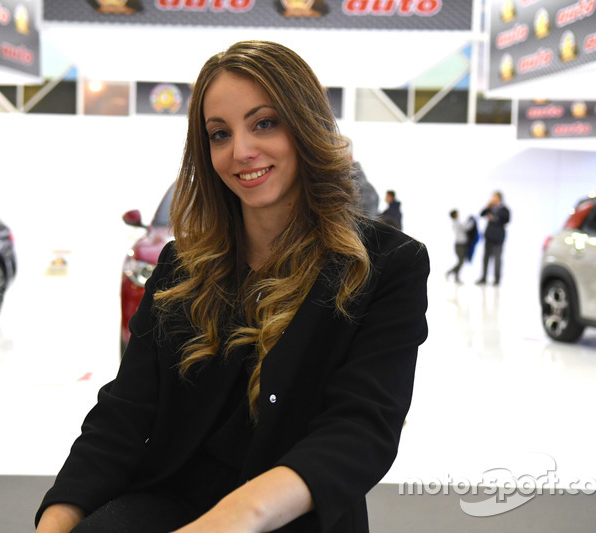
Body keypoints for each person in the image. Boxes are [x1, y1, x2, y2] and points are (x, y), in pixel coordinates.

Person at [35, 40, 429, 533]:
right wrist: (56, 520)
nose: (241, 151)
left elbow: (360, 431)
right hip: (166, 502)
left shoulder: (386, 265)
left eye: (264, 123)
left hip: (293, 513)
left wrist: (233, 520)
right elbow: (123, 415)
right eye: (219, 134)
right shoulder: (180, 265)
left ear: (306, 125)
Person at [476, 190, 510, 286]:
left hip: (498, 239)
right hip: (489, 237)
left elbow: (506, 220)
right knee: (485, 258)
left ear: (499, 198)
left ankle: (497, 280)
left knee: (497, 259)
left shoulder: (505, 210)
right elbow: (481, 214)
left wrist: (494, 218)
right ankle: (483, 278)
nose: (492, 199)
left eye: (494, 197)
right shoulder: (490, 208)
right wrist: (487, 206)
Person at [341, 135, 379, 218]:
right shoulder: (326, 185)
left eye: (337, 158)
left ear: (349, 158)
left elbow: (367, 229)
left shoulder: (366, 192)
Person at [446, 209, 475, 283]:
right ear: (455, 215)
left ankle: (456, 277)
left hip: (460, 245)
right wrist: (472, 221)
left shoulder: (456, 223)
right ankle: (450, 273)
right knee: (461, 261)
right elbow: (467, 228)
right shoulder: (457, 223)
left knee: (461, 261)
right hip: (460, 245)